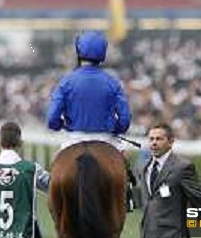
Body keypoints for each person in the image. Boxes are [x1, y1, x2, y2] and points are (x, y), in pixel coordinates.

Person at [46, 30, 136, 208]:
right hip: (106, 139)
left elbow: (52, 119)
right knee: (125, 165)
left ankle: (55, 205)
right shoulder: (112, 82)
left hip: (74, 139)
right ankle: (128, 200)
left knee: (55, 169)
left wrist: (62, 125)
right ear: (103, 54)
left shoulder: (67, 81)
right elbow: (125, 120)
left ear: (79, 52)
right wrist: (115, 129)